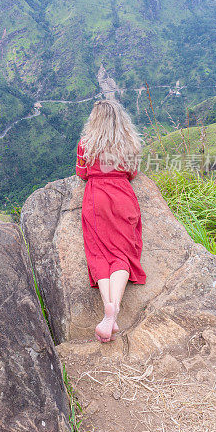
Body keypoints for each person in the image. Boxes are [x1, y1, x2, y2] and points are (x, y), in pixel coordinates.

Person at [75, 98, 146, 343]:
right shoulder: (129, 144)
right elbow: (132, 173)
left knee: (98, 253)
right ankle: (113, 311)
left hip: (97, 198)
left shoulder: (86, 144)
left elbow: (82, 173)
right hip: (122, 196)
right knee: (122, 253)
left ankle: (109, 307)